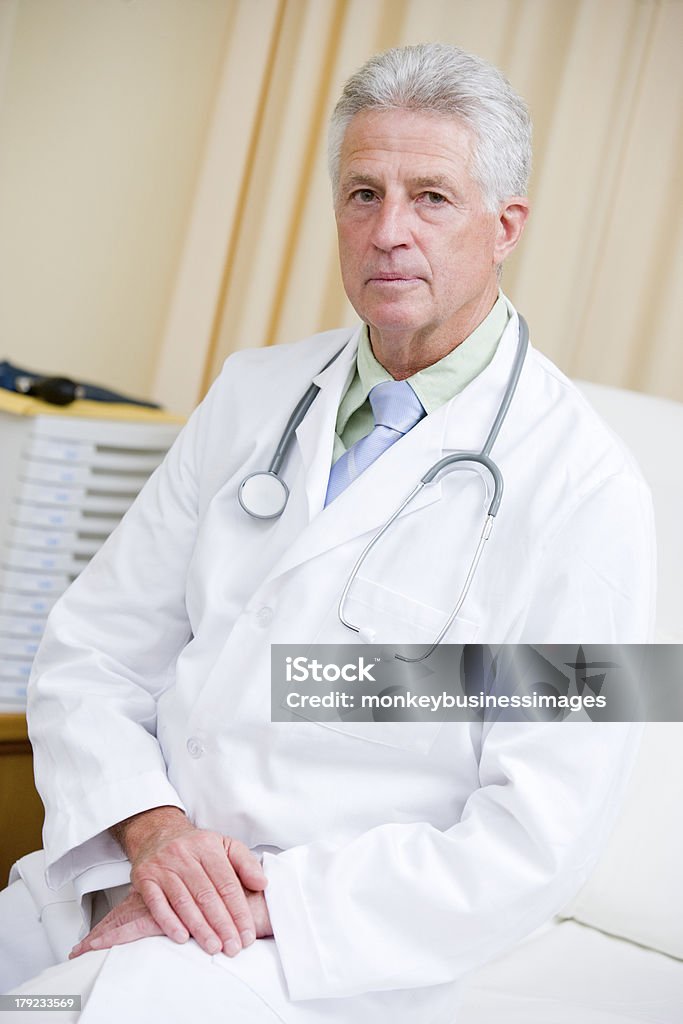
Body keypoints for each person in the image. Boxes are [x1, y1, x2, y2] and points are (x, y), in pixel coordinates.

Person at [1, 42, 654, 1023]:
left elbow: (537, 834)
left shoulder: (590, 489)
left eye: (430, 197)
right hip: (135, 865)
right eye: (361, 194)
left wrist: (258, 904)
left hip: (324, 936)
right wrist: (154, 832)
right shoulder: (251, 392)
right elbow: (92, 648)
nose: (388, 230)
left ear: (504, 225)